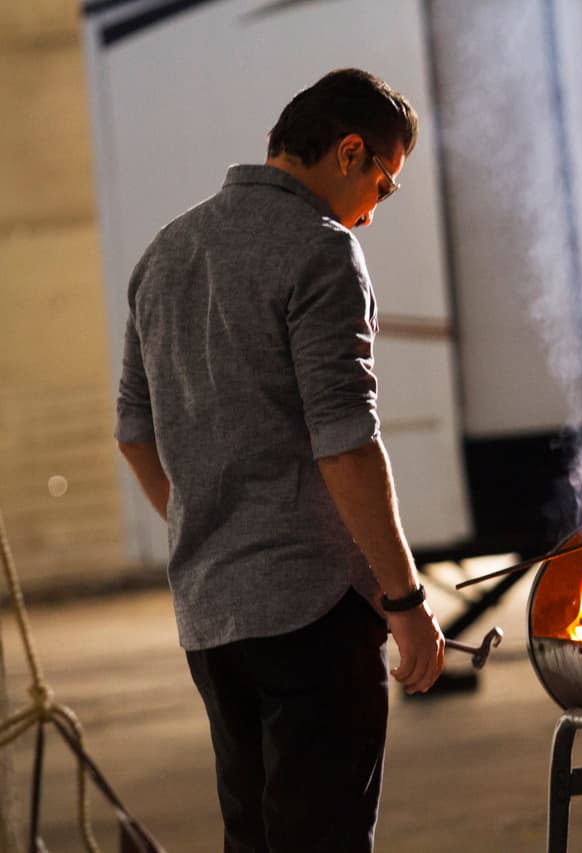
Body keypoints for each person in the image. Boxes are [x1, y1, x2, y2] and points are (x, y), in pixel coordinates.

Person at [114, 68, 445, 852]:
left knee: (254, 837)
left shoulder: (166, 252)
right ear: (350, 151)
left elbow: (133, 431)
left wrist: (209, 529)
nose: (371, 212)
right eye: (382, 185)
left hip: (211, 617)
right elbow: (346, 442)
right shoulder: (321, 250)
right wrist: (404, 599)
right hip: (312, 612)